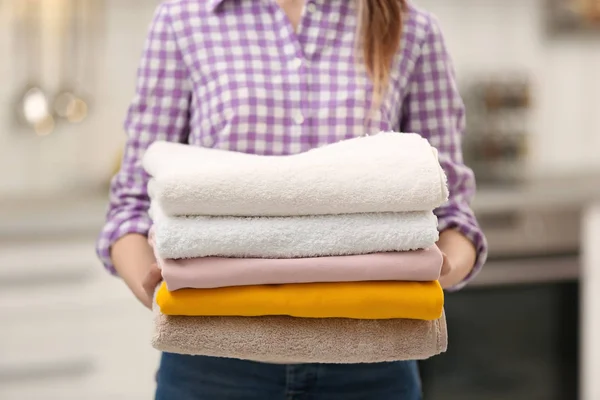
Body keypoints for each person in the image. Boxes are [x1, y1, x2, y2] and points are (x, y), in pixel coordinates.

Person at [96, 0, 488, 399]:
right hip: (211, 371)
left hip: (372, 369)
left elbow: (450, 208)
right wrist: (166, 295)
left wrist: (426, 274)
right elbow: (130, 206)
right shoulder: (184, 21)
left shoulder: (411, 28)